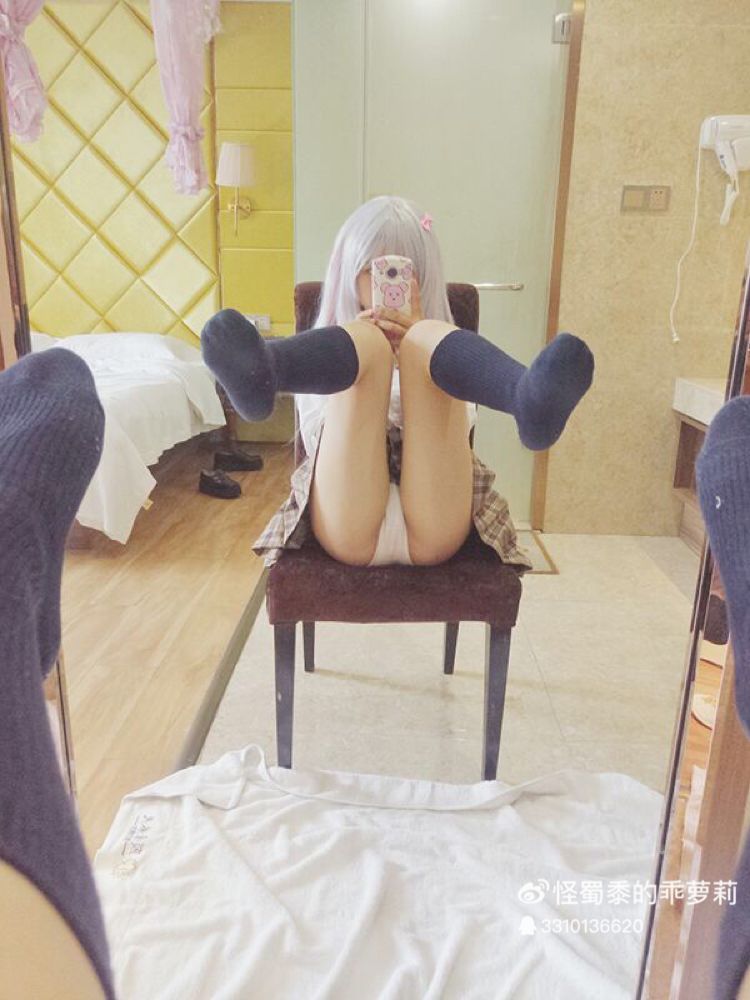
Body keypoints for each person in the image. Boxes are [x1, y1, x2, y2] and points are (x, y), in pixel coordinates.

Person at [201, 196, 594, 570]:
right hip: (348, 520)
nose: (390, 283)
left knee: (424, 340)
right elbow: (317, 428)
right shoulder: (331, 345)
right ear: (348, 272)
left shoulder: (441, 343)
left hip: (435, 522)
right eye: (375, 270)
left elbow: (461, 425)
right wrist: (368, 353)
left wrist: (417, 345)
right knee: (367, 342)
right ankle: (265, 371)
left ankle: (525, 398)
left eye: (405, 271)